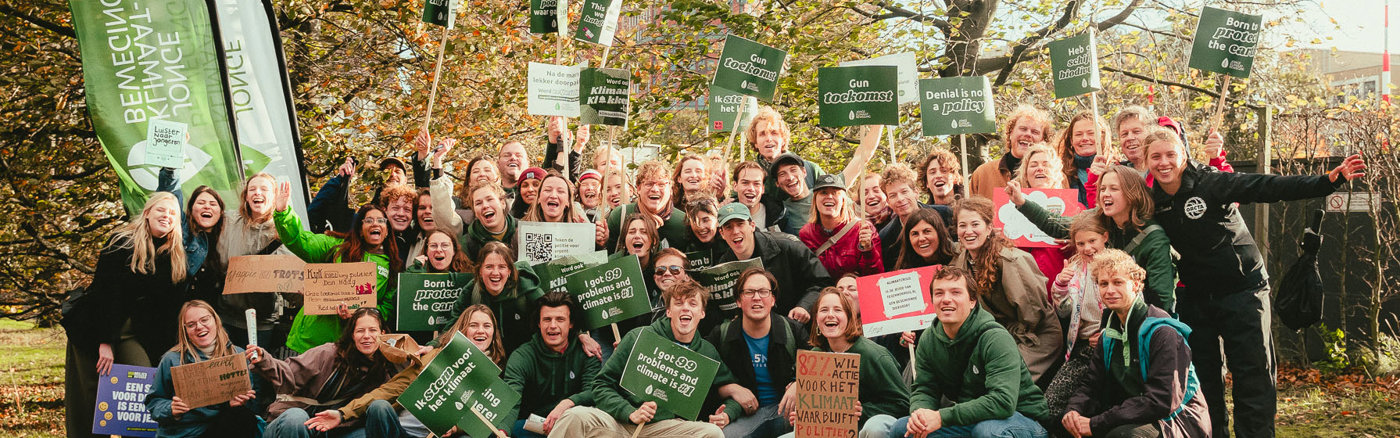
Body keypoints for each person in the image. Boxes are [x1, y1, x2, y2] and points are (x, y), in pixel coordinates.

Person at [1145, 127, 1365, 438]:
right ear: (1146, 161)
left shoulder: (1211, 182)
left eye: (1170, 154)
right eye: (1156, 156)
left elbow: (1265, 186)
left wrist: (1326, 182)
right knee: (1203, 380)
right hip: (1195, 296)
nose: (1164, 162)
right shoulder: (1150, 200)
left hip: (1243, 289)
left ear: (1183, 154)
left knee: (1253, 374)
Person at [549, 280, 747, 438]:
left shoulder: (706, 352)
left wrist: (727, 414)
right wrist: (629, 412)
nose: (685, 308)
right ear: (668, 311)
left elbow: (734, 395)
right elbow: (601, 385)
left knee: (712, 433)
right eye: (678, 303)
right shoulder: (638, 337)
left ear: (702, 313)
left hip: (664, 429)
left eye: (692, 304)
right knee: (574, 416)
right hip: (619, 423)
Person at [64, 192, 190, 438]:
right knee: (91, 399)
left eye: (172, 213)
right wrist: (104, 342)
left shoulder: (174, 254)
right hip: (95, 327)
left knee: (140, 388)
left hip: (135, 333)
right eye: (161, 210)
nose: (166, 216)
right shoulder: (122, 242)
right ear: (147, 213)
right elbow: (105, 293)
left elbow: (169, 307)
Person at [1062, 249, 1210, 438]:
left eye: (1118, 282)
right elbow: (1091, 385)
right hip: (1132, 415)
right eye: (1103, 283)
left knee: (1122, 436)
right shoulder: (1108, 335)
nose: (1110, 290)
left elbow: (1162, 400)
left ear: (1136, 285)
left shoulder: (1164, 333)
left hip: (1176, 421)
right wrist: (1074, 411)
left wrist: (1097, 423)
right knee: (1068, 426)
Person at [888, 266, 1051, 438]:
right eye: (939, 293)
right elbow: (925, 388)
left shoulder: (995, 338)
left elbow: (1002, 401)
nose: (946, 299)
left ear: (972, 301)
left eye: (956, 292)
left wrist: (941, 417)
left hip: (1022, 420)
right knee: (902, 429)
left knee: (987, 432)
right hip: (973, 420)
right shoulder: (929, 339)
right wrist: (920, 416)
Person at [1008, 164, 1176, 312]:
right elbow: (1058, 226)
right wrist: (1022, 202)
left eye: (1114, 189)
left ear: (1133, 193)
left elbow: (1161, 299)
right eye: (1102, 189)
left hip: (1142, 320)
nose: (1105, 194)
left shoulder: (1154, 238)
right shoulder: (1099, 217)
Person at [331, 305, 509, 438]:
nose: (480, 331)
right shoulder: (437, 356)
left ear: (493, 332)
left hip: (437, 435)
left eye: (487, 326)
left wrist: (455, 428)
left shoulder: (493, 372)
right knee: (379, 407)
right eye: (473, 325)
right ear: (463, 329)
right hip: (402, 431)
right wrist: (343, 413)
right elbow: (390, 390)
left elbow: (485, 416)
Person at [272, 182, 400, 353]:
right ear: (360, 230)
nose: (375, 224)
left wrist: (361, 313)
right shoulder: (336, 247)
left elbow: (386, 309)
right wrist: (283, 214)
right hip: (308, 341)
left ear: (386, 230)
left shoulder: (392, 265)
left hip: (348, 348)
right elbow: (302, 241)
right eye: (369, 220)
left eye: (381, 221)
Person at [950, 197, 1063, 386]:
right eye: (963, 225)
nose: (968, 231)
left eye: (975, 224)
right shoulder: (962, 261)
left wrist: (1001, 341)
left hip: (1034, 335)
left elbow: (1033, 313)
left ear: (988, 228)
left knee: (1001, 383)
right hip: (999, 335)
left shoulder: (1010, 260)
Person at [249, 308, 399, 438]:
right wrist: (264, 360)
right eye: (360, 331)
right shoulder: (328, 353)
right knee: (296, 418)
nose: (366, 335)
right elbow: (287, 371)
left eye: (372, 330)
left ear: (383, 333)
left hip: (339, 428)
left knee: (378, 410)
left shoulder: (386, 365)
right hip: (298, 423)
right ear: (352, 335)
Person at [780, 288, 907, 438]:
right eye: (824, 310)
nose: (830, 315)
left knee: (875, 427)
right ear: (817, 319)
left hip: (865, 429)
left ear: (849, 317)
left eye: (837, 310)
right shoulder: (815, 356)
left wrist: (863, 411)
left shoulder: (874, 355)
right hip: (829, 432)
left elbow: (903, 404)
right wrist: (804, 418)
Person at [707, 268, 810, 438]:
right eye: (749, 292)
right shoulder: (721, 335)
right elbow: (704, 381)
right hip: (743, 416)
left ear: (773, 299)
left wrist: (800, 383)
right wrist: (730, 389)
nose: (756, 297)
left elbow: (820, 367)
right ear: (738, 301)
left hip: (787, 414)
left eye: (763, 292)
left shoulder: (793, 330)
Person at [145, 300, 266, 437]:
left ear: (216, 321)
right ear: (185, 331)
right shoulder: (172, 359)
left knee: (242, 416)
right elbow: (154, 401)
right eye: (191, 325)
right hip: (185, 432)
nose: (199, 327)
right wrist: (171, 409)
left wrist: (238, 403)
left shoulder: (237, 354)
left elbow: (253, 403)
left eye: (204, 320)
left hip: (222, 427)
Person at [502, 292, 602, 438]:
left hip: (575, 424)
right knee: (516, 428)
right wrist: (503, 431)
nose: (553, 326)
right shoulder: (522, 356)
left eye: (560, 319)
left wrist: (567, 403)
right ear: (539, 323)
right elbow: (511, 399)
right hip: (538, 426)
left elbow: (593, 392)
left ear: (571, 323)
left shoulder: (587, 351)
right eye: (547, 319)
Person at [1039, 213, 1110, 421]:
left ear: (1105, 237)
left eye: (1092, 241)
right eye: (1081, 243)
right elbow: (1063, 312)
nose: (1087, 248)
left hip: (1114, 348)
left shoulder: (1119, 264)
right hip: (1083, 350)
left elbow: (1133, 306)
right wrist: (1060, 285)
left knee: (1104, 404)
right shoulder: (1074, 268)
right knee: (1050, 405)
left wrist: (1109, 333)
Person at [217, 173, 299, 351]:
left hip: (262, 323)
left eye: (264, 189)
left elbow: (293, 283)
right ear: (246, 196)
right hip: (226, 317)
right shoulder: (227, 222)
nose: (257, 193)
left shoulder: (285, 233)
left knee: (256, 367)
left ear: (275, 196)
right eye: (252, 189)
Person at [714, 202, 833, 324]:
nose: (735, 231)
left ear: (752, 226)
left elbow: (822, 282)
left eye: (740, 224)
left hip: (795, 324)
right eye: (728, 227)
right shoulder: (723, 265)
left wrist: (804, 306)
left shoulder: (787, 246)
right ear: (722, 233)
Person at [436, 241, 544, 355]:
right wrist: (434, 345)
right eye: (489, 267)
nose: (495, 273)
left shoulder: (527, 287)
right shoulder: (472, 290)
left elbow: (550, 315)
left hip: (525, 354)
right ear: (480, 271)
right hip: (491, 355)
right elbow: (454, 324)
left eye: (502, 267)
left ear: (509, 271)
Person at [155, 167, 223, 304]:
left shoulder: (227, 236)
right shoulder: (183, 229)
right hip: (177, 307)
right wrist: (170, 170)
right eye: (201, 203)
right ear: (191, 210)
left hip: (214, 312)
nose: (207, 207)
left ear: (221, 212)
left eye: (213, 204)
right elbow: (170, 195)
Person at [1009, 144, 1069, 296]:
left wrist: (1076, 242)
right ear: (1025, 173)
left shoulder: (1074, 208)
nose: (1040, 169)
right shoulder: (1008, 208)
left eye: (1046, 164)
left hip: (1061, 291)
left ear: (1056, 172)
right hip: (1023, 292)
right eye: (1033, 165)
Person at [799, 173, 883, 278]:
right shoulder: (806, 234)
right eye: (823, 192)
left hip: (855, 287)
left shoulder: (863, 228)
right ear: (815, 200)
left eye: (835, 193)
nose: (829, 196)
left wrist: (868, 250)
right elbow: (806, 276)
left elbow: (875, 277)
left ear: (843, 200)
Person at [968, 105, 1052, 199]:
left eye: (1035, 132)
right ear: (1011, 133)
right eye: (1023, 129)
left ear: (1042, 140)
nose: (1028, 134)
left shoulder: (1054, 176)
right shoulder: (983, 174)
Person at [599, 160, 688, 250]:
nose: (655, 189)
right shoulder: (620, 216)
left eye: (661, 184)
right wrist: (602, 243)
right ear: (638, 188)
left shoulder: (683, 222)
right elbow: (606, 256)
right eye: (649, 184)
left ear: (670, 189)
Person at [877, 163, 951, 271]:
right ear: (888, 201)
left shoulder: (946, 215)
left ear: (916, 192)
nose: (900, 199)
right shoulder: (886, 237)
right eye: (893, 195)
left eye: (904, 192)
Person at [1057, 112, 1108, 206]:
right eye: (1078, 134)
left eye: (1091, 133)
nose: (1085, 138)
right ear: (1071, 140)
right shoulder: (1060, 173)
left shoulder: (1116, 170)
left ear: (1102, 138)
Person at [892, 208, 956, 270]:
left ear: (939, 233)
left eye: (927, 231)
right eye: (915, 234)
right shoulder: (904, 269)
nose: (921, 238)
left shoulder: (958, 257)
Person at [733, 161, 785, 232]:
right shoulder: (724, 216)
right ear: (735, 186)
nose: (751, 188)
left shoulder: (779, 215)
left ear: (763, 188)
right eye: (745, 183)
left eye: (756, 184)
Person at [772, 153, 815, 235]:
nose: (790, 177)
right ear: (777, 183)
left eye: (793, 170)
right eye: (782, 174)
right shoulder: (781, 212)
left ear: (804, 172)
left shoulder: (825, 194)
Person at [680, 198, 722, 266]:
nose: (700, 227)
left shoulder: (730, 245)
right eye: (694, 221)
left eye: (705, 220)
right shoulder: (686, 248)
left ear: (717, 220)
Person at [498, 140, 530, 208]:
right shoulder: (489, 193)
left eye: (519, 155)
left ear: (528, 163)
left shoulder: (536, 192)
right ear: (498, 163)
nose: (513, 158)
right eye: (507, 155)